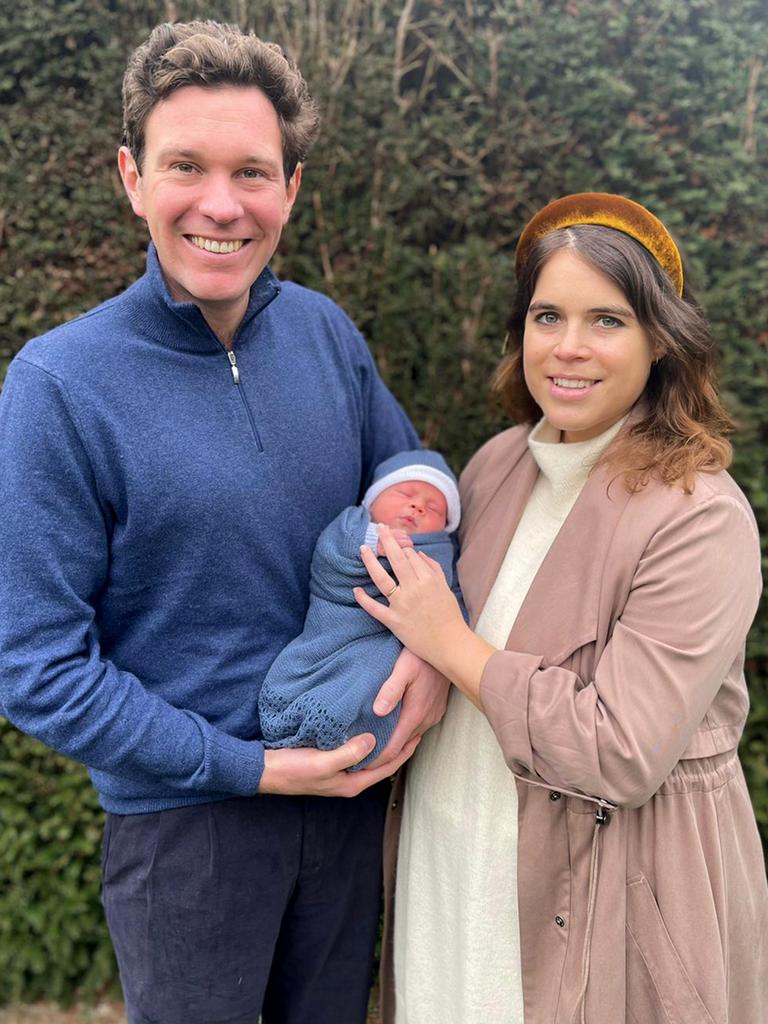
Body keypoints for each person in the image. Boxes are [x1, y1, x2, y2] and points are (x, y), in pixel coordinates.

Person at [0, 20, 449, 1024]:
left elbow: (420, 494)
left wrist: (434, 651)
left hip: (349, 805)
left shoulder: (327, 335)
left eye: (252, 172)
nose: (220, 203)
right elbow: (35, 667)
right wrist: (250, 767)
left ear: (289, 188)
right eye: (184, 167)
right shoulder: (60, 386)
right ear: (131, 177)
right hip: (186, 834)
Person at [355, 194, 768, 1024]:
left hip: (602, 902)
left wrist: (451, 642)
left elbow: (618, 750)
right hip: (452, 867)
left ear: (661, 341)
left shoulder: (701, 516)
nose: (569, 348)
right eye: (548, 315)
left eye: (607, 320)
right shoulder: (500, 464)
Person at [260, 449, 461, 768]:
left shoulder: (442, 552)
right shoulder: (354, 523)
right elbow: (329, 558)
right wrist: (373, 542)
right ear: (372, 500)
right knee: (331, 669)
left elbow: (452, 603)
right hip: (341, 624)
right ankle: (303, 720)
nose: (417, 505)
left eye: (433, 506)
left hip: (388, 644)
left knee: (376, 679)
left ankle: (359, 739)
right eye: (405, 493)